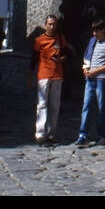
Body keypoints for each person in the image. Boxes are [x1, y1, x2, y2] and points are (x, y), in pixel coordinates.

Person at [74, 19, 105, 147]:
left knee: (101, 107)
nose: (94, 33)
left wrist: (97, 71)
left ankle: (102, 136)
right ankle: (83, 135)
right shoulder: (92, 42)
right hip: (90, 79)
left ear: (103, 29)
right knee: (86, 106)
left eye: (97, 30)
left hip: (101, 80)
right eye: (93, 30)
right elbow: (87, 58)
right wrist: (86, 69)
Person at [31, 14, 69, 146]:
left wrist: (61, 59)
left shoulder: (60, 38)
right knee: (42, 104)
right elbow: (34, 58)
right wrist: (30, 75)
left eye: (54, 24)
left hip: (57, 75)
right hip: (44, 75)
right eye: (50, 24)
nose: (52, 26)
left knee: (55, 105)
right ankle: (40, 134)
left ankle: (51, 133)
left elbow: (66, 54)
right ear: (45, 25)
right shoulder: (39, 40)